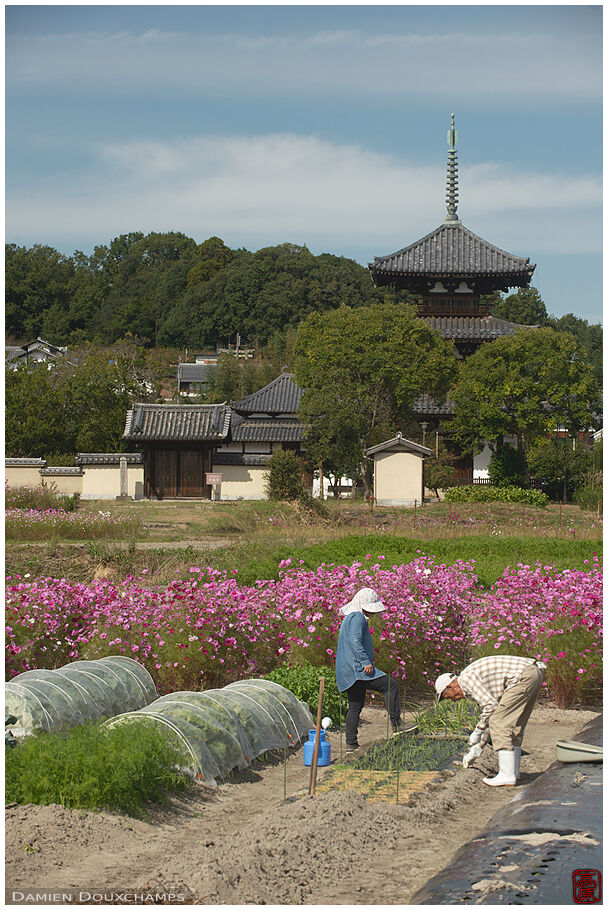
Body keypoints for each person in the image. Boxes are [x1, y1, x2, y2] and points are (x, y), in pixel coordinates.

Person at [435, 654, 546, 787]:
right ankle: (513, 772)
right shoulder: (471, 682)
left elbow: (491, 710)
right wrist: (476, 750)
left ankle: (507, 775)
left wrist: (477, 732)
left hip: (522, 677)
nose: (452, 700)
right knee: (514, 725)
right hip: (532, 673)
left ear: (450, 687)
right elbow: (490, 715)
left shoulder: (466, 680)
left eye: (447, 696)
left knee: (499, 723)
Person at [336, 587, 412, 753]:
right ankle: (397, 724)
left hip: (347, 670)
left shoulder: (349, 617)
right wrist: (365, 661)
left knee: (355, 705)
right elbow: (355, 641)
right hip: (357, 668)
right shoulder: (357, 618)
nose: (372, 613)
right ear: (363, 605)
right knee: (391, 685)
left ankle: (351, 744)